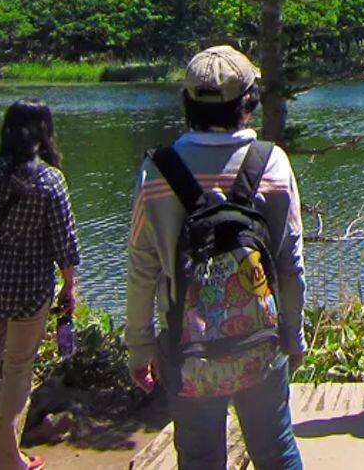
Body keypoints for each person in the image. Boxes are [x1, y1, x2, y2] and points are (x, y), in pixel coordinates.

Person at [125, 45, 305, 470]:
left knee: (200, 457)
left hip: (185, 344)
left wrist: (139, 346)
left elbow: (142, 269)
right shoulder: (272, 164)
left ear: (187, 102)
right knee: (276, 450)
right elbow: (289, 265)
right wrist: (292, 334)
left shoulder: (157, 171)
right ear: (247, 103)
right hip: (260, 340)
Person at [0, 100, 79, 470]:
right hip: (30, 288)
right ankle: (8, 456)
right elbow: (65, 242)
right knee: (17, 371)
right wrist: (70, 287)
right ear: (44, 132)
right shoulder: (49, 179)